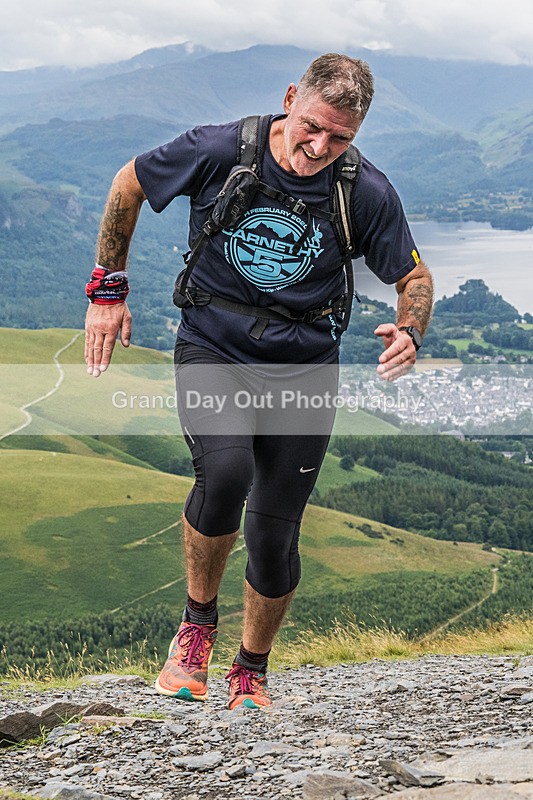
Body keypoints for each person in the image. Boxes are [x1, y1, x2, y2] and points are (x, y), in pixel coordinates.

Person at [84, 53, 433, 710]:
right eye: (311, 127)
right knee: (224, 476)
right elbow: (128, 183)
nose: (318, 147)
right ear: (289, 97)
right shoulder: (223, 149)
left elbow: (412, 278)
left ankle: (251, 667)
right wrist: (107, 291)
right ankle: (195, 629)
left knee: (274, 534)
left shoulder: (365, 191)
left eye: (340, 139)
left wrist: (410, 328)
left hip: (303, 368)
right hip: (214, 344)